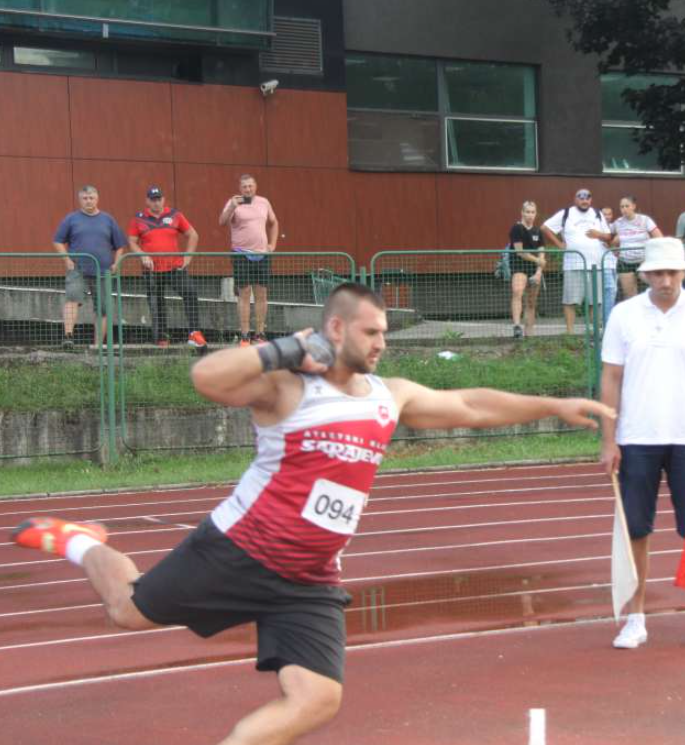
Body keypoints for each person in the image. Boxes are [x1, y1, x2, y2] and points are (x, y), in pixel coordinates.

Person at [11, 282, 614, 745]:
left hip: (309, 578)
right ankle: (81, 541)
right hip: (236, 553)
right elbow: (205, 376)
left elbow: (470, 404)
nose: (383, 343)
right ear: (336, 327)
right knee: (126, 610)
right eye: (373, 332)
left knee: (317, 698)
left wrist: (553, 404)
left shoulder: (389, 396)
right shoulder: (288, 387)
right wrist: (285, 348)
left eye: (385, 335)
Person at [599, 237, 685, 651]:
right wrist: (609, 440)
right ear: (645, 275)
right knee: (636, 531)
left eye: (671, 272)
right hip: (636, 438)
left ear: (684, 272)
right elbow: (610, 379)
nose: (664, 280)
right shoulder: (624, 315)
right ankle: (635, 618)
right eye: (656, 273)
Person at [128, 186, 206, 350]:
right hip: (151, 269)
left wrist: (188, 256)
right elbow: (132, 242)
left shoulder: (175, 215)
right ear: (147, 201)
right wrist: (143, 255)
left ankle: (194, 333)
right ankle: (161, 338)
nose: (156, 203)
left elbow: (193, 235)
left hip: (174, 267)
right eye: (153, 199)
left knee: (190, 293)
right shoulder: (138, 219)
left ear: (163, 199)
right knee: (156, 303)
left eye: (159, 199)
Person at [53, 185, 127, 348]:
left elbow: (120, 245)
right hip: (77, 269)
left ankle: (98, 346)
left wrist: (117, 262)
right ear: (80, 200)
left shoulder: (108, 219)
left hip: (103, 271)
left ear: (97, 198)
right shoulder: (71, 219)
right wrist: (67, 260)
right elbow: (57, 241)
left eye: (91, 197)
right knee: (72, 299)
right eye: (85, 198)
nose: (88, 201)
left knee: (103, 308)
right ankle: (68, 337)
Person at [219, 174, 280, 347]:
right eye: (244, 186)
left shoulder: (264, 202)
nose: (248, 189)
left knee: (262, 293)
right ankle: (245, 334)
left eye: (250, 186)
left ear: (255, 186)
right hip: (241, 253)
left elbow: (274, 222)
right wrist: (232, 206)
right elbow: (222, 221)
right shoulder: (234, 203)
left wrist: (272, 244)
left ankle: (260, 333)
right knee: (244, 293)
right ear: (240, 188)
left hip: (262, 254)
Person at [541, 188, 610, 334]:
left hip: (595, 265)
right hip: (573, 265)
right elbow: (545, 227)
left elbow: (608, 236)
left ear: (591, 200)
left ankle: (594, 334)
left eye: (587, 198)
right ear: (575, 199)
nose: (584, 201)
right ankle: (570, 334)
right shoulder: (566, 213)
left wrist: (599, 235)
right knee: (570, 300)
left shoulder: (598, 214)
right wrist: (560, 245)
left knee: (595, 302)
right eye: (581, 197)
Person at [612, 195, 663, 302]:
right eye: (622, 207)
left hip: (643, 262)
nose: (624, 209)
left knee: (652, 291)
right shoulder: (618, 222)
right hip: (625, 262)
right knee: (630, 296)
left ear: (633, 206)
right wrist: (615, 250)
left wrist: (652, 255)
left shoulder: (645, 220)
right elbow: (610, 238)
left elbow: (659, 238)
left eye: (627, 206)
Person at [508, 200, 546, 338]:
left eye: (532, 212)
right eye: (527, 212)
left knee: (531, 301)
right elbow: (520, 251)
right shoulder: (516, 228)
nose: (530, 215)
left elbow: (542, 251)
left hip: (534, 269)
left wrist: (539, 271)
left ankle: (529, 333)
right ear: (522, 212)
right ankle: (517, 326)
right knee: (517, 292)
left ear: (536, 214)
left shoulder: (538, 231)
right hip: (519, 266)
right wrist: (538, 260)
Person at [599, 206, 619, 327]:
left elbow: (615, 244)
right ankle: (607, 323)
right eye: (604, 214)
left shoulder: (614, 227)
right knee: (610, 290)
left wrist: (616, 248)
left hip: (614, 263)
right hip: (603, 264)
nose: (607, 216)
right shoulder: (598, 228)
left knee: (613, 291)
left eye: (609, 214)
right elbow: (607, 243)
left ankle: (608, 320)